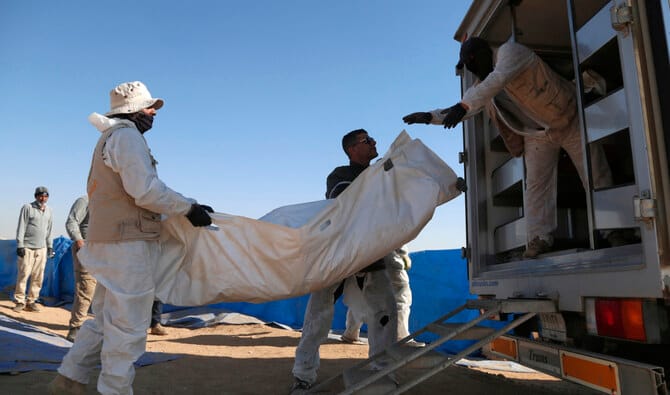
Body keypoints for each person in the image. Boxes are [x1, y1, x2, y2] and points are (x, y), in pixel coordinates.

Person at [49, 81, 214, 395]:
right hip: (127, 246)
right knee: (128, 327)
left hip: (108, 242)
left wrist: (185, 204)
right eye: (149, 107)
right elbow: (146, 191)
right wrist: (187, 208)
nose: (153, 112)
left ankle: (69, 379)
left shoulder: (111, 138)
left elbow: (137, 190)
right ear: (134, 110)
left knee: (103, 320)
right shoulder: (127, 138)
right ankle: (114, 389)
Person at [403, 37, 611, 258]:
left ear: (483, 52)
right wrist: (430, 117)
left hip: (567, 118)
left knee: (594, 171)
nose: (472, 70)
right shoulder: (481, 87)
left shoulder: (510, 52)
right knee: (536, 189)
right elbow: (468, 107)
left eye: (472, 61)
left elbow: (495, 81)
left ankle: (613, 230)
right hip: (537, 135)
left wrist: (463, 105)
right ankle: (539, 238)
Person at [290, 129, 398, 393]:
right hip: (336, 257)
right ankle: (303, 377)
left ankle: (381, 373)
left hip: (371, 257)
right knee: (317, 316)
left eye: (372, 140)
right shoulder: (340, 175)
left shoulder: (383, 172)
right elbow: (344, 200)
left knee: (386, 313)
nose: (374, 143)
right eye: (367, 141)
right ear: (352, 149)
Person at [341, 246, 425, 347]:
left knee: (360, 298)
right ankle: (400, 336)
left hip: (360, 262)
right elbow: (394, 238)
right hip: (387, 262)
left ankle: (350, 333)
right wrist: (403, 255)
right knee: (401, 299)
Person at [13, 186, 54, 312]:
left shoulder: (49, 210)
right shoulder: (28, 208)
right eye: (41, 196)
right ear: (36, 196)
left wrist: (50, 246)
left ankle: (31, 301)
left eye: (45, 196)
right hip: (27, 247)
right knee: (24, 274)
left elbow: (49, 230)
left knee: (38, 276)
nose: (43, 198)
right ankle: (20, 301)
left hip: (41, 248)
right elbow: (21, 226)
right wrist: (20, 245)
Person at [64, 195, 94, 342]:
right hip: (86, 248)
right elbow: (72, 221)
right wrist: (80, 242)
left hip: (105, 252)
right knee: (86, 287)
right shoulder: (85, 201)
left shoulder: (110, 202)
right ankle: (76, 327)